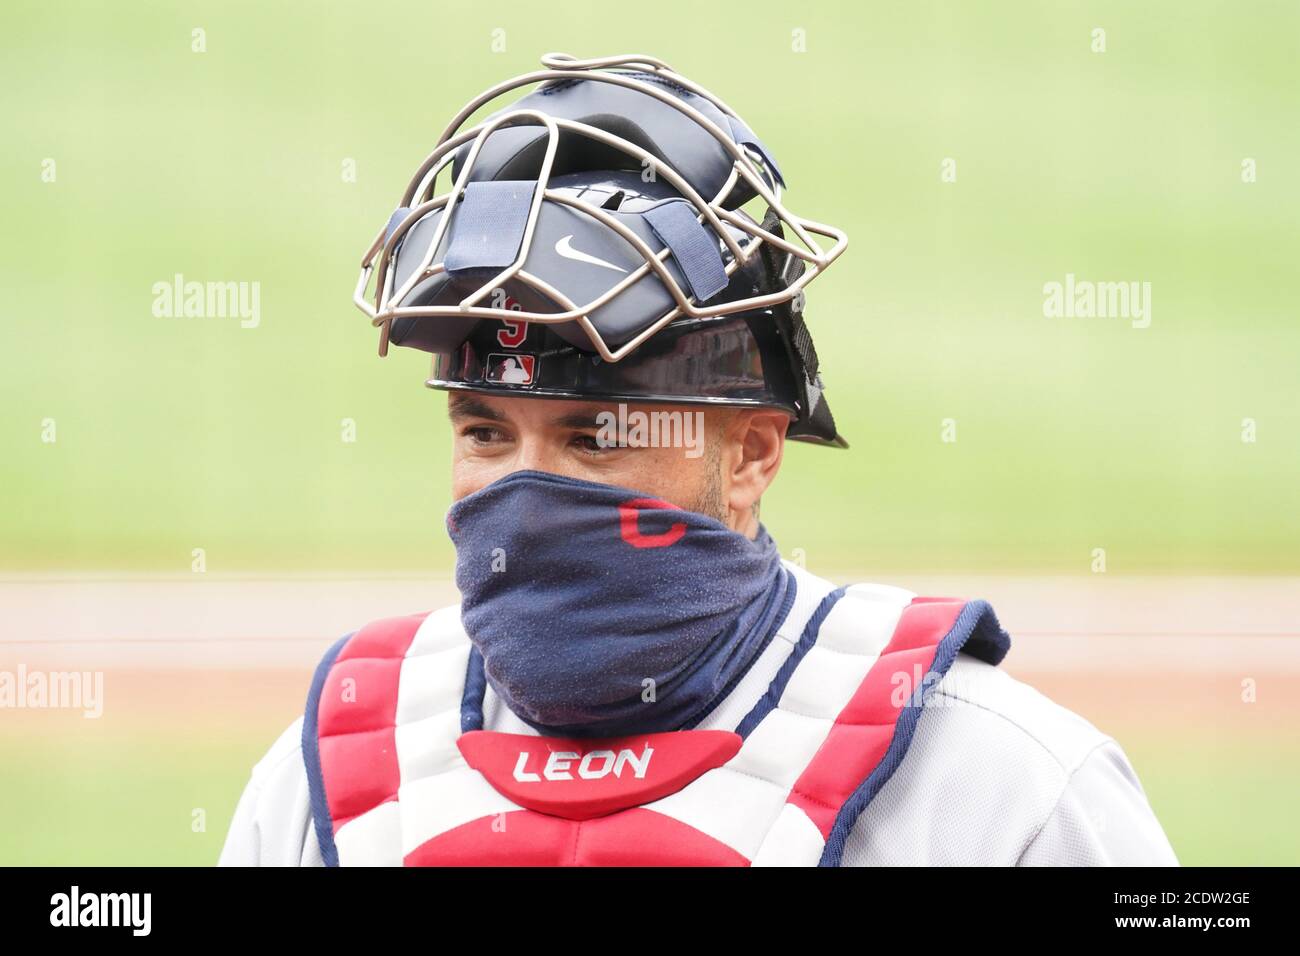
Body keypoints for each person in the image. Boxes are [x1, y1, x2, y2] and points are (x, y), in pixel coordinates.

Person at [219, 53, 1178, 867]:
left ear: (754, 452)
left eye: (594, 436)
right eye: (485, 433)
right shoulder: (339, 769)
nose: (521, 492)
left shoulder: (995, 781)